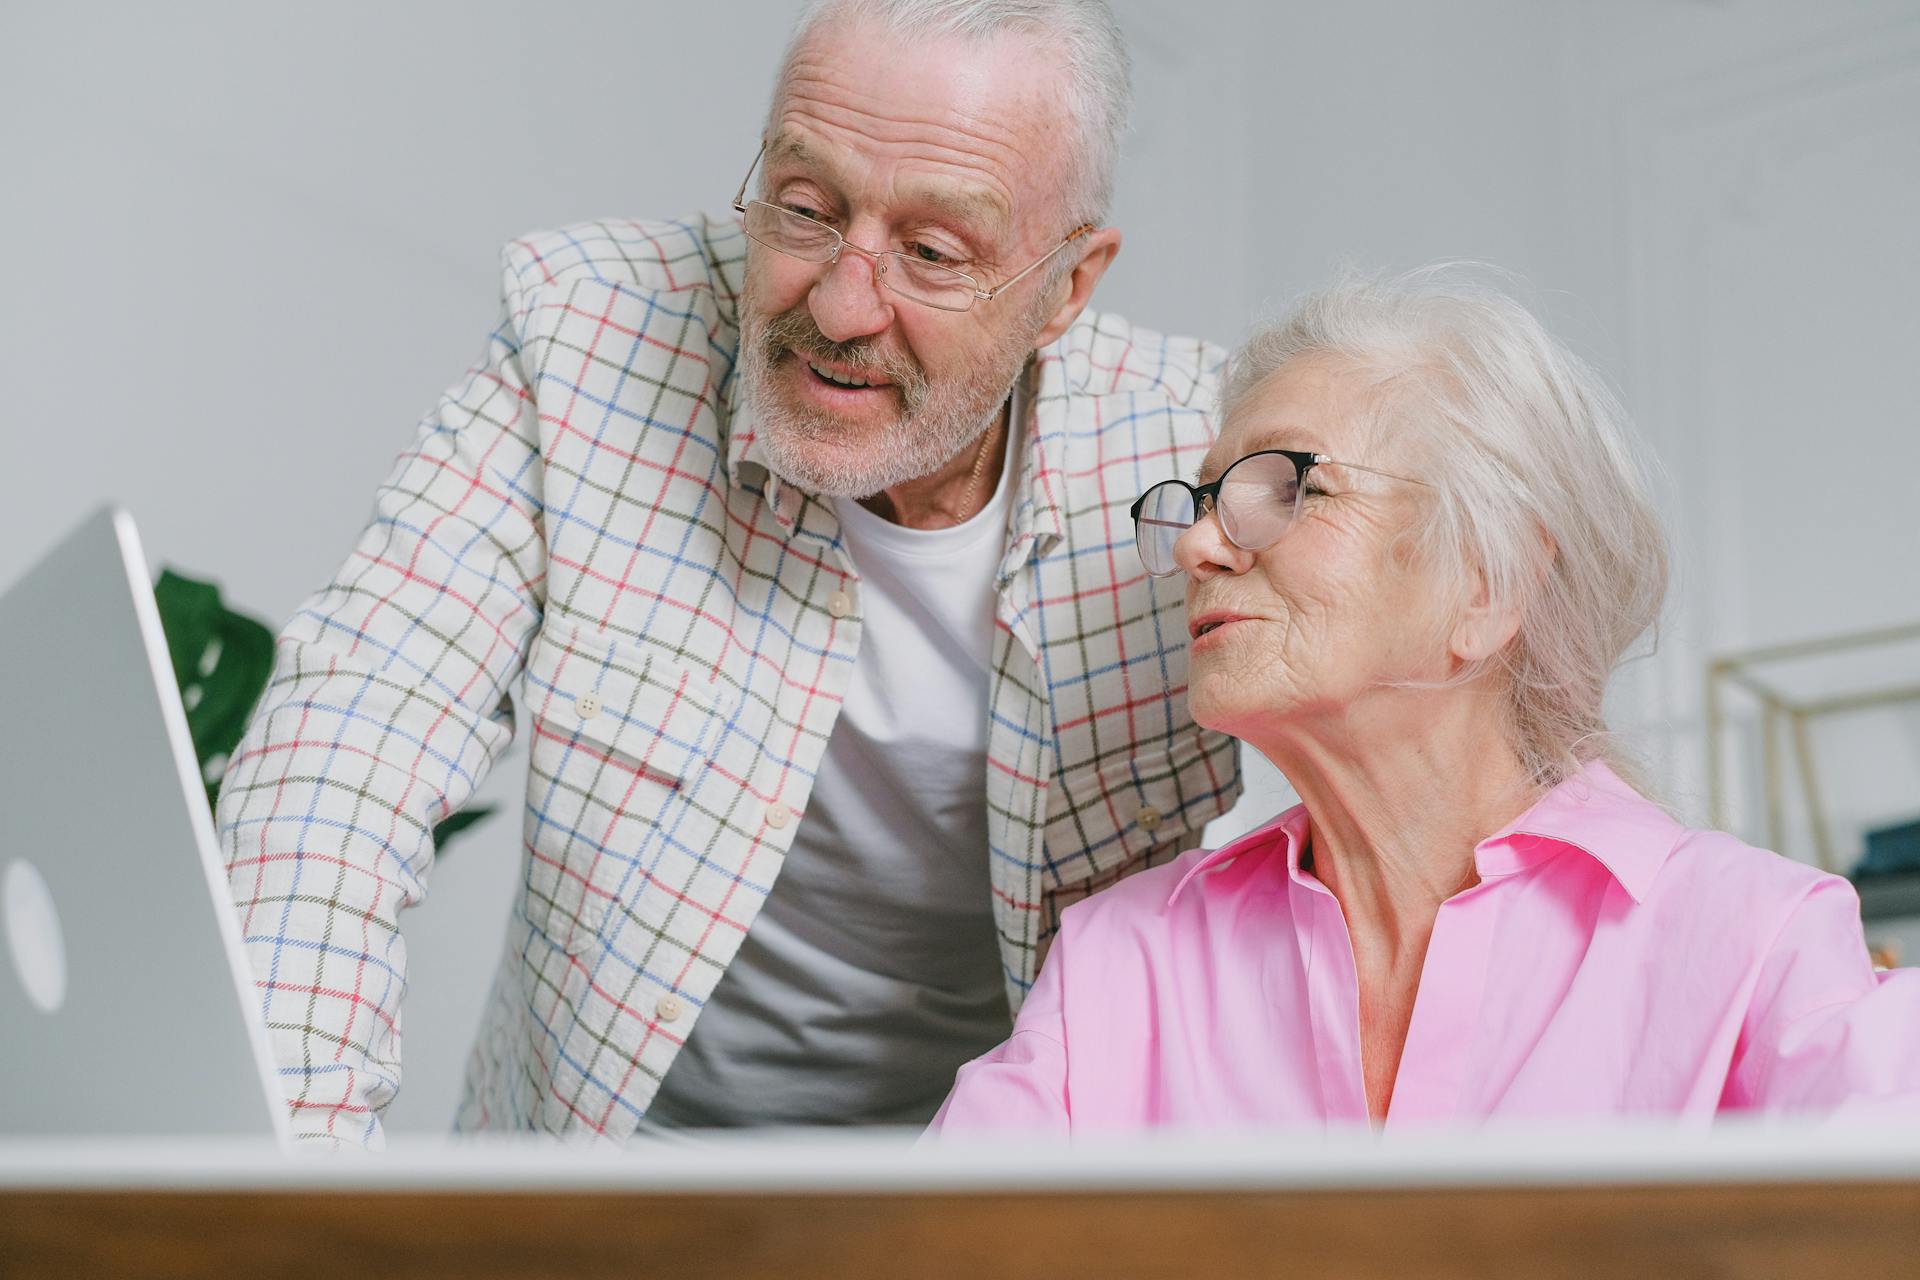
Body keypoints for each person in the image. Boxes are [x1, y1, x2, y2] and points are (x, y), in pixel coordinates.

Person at [217, 0, 1242, 1150]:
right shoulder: (589, 336)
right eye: (804, 210)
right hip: (591, 1174)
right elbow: (348, 749)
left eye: (933, 254)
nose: (843, 304)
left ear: (1065, 288)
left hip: (970, 1191)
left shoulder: (1196, 463)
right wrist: (286, 1191)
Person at [928, 269, 1920, 1135]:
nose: (1196, 547)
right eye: (1195, 502)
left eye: (1280, 486)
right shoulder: (1123, 962)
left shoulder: (1753, 939)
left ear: (1487, 581)